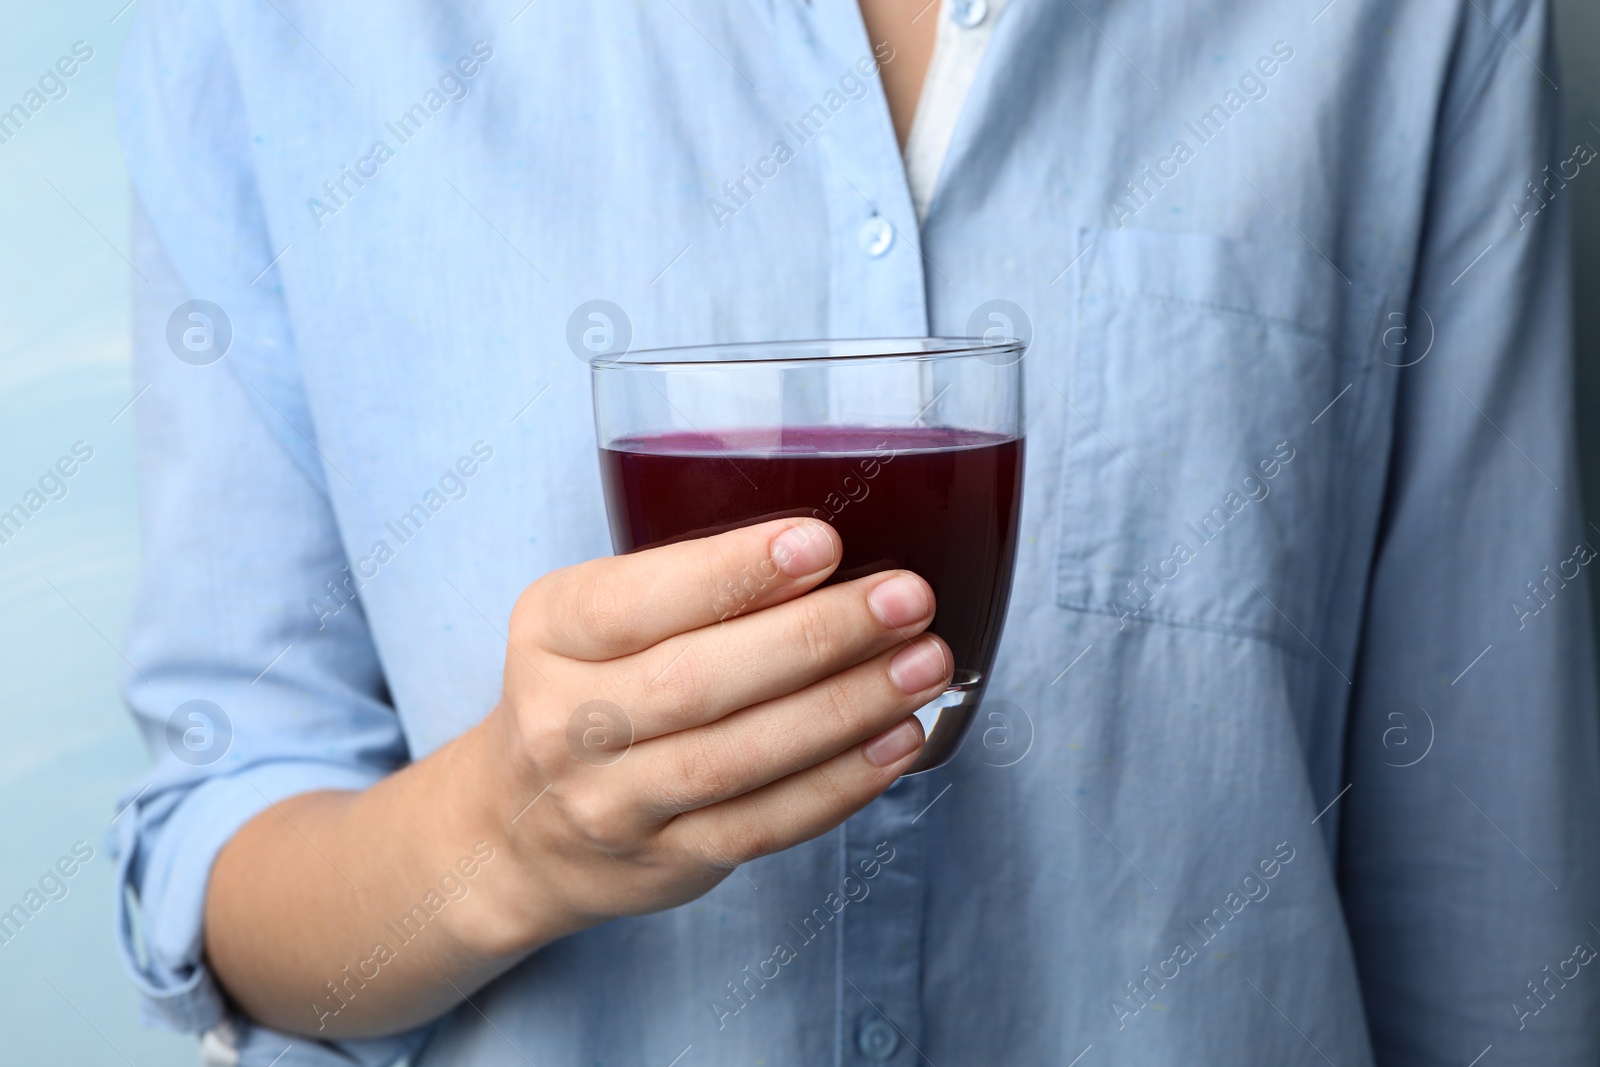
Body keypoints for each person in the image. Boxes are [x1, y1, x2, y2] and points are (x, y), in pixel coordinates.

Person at [114, 0, 1600, 1063]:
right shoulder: (270, 29)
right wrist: (505, 835)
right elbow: (226, 829)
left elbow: (1488, 890)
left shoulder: (1420, 26)